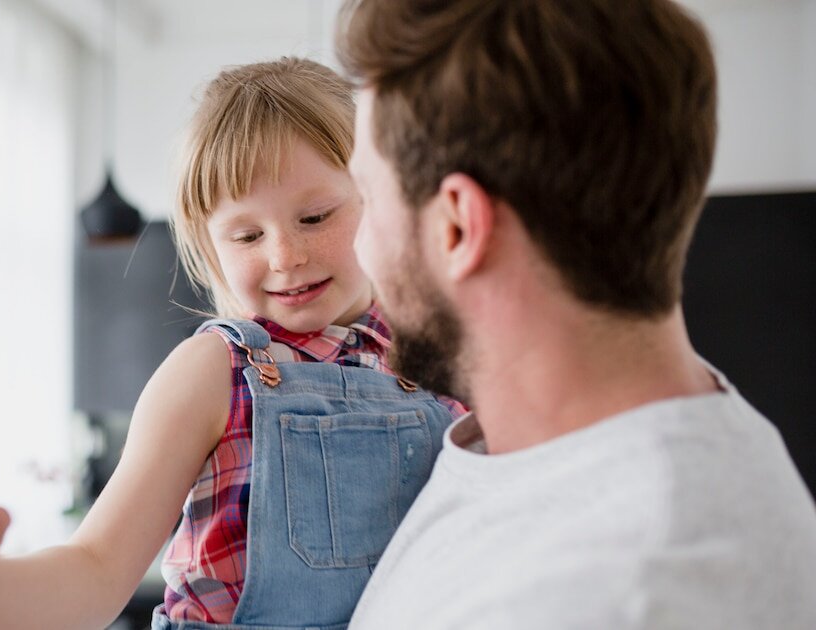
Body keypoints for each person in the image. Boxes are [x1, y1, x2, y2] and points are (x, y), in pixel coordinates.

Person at [0, 56, 464, 630]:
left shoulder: (442, 359)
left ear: (380, 198)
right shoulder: (215, 371)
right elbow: (94, 568)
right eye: (246, 235)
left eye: (315, 217)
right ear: (210, 247)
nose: (285, 255)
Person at [336, 0, 816, 627]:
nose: (359, 245)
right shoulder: (560, 445)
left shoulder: (615, 593)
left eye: (368, 197)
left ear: (457, 227)